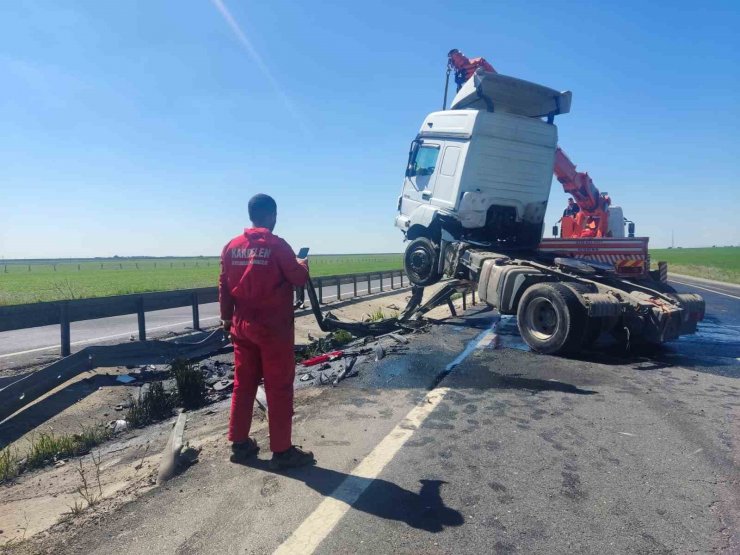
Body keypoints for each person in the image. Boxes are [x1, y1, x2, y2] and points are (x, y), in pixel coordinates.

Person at [219, 193, 315, 469]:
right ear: (272, 215)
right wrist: (303, 263)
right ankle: (283, 452)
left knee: (243, 384)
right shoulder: (277, 245)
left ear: (251, 215)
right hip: (273, 329)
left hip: (242, 326)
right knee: (278, 386)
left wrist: (227, 319)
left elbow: (224, 285)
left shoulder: (231, 247)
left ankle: (239, 445)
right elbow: (298, 277)